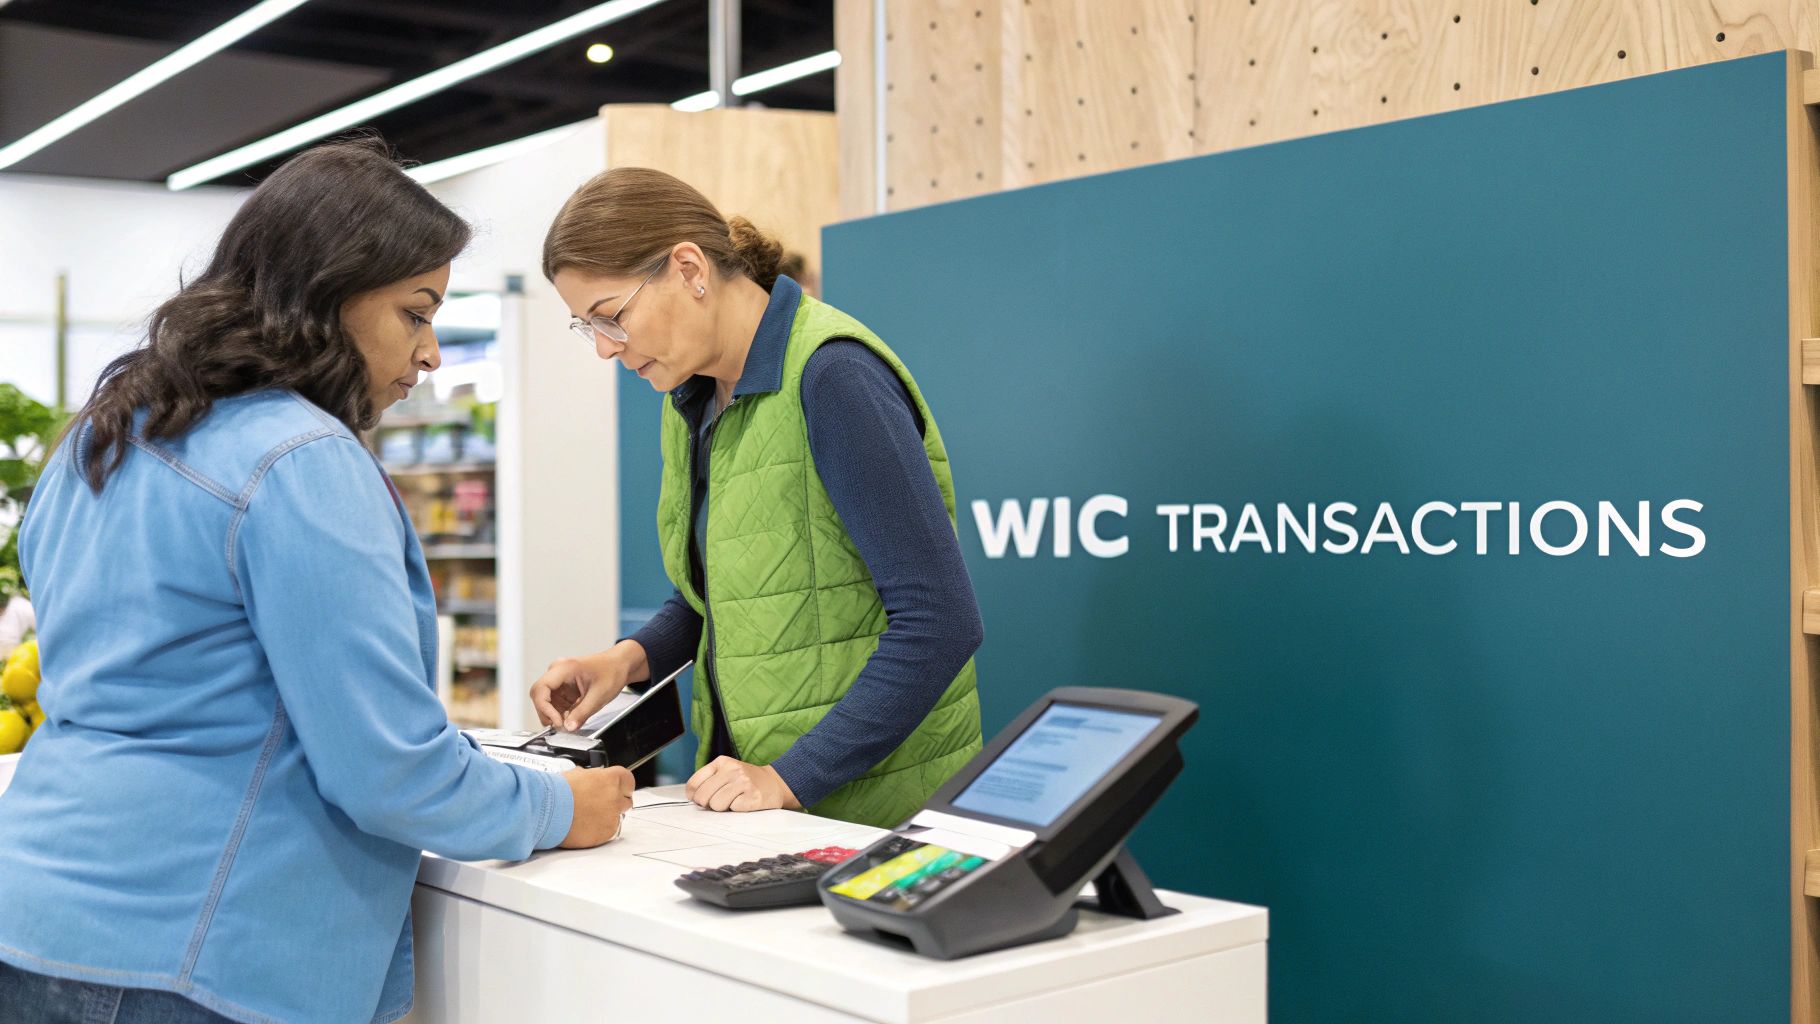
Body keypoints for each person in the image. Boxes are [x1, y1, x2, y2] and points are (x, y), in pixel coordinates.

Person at [0, 138, 632, 1024]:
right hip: (196, 955)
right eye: (416, 313)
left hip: (30, 918)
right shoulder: (299, 460)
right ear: (327, 293)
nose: (431, 354)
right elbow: (390, 773)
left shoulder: (99, 438)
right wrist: (562, 804)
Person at [533, 167, 984, 829]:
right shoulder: (690, 396)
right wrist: (624, 661)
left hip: (865, 817)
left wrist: (787, 777)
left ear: (689, 268)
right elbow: (731, 594)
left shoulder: (834, 379)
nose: (605, 349)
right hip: (757, 808)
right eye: (586, 328)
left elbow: (941, 622)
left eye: (612, 317)